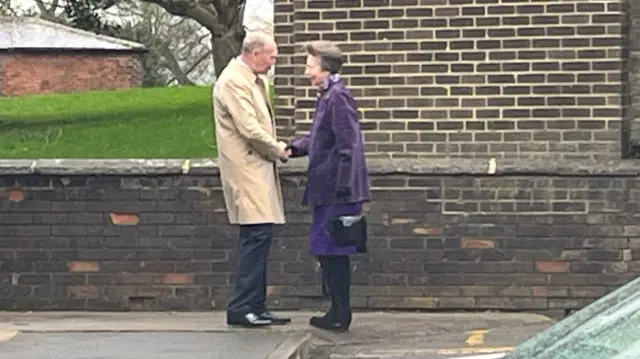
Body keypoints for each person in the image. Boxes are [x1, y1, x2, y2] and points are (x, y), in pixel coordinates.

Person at [286, 40, 372, 332]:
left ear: (324, 68)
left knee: (334, 250)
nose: (307, 71)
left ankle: (339, 313)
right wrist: (293, 148)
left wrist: (345, 186)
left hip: (337, 190)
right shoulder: (328, 97)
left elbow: (348, 145)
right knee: (328, 250)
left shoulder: (338, 98)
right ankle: (336, 309)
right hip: (330, 188)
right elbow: (319, 137)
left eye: (310, 66)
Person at [213, 31, 292, 328]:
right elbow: (249, 128)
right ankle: (242, 307)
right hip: (246, 170)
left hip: (256, 169)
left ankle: (256, 305)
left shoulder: (252, 80)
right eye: (271, 56)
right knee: (255, 236)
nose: (274, 62)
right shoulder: (234, 81)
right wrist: (278, 149)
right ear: (255, 53)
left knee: (260, 236)